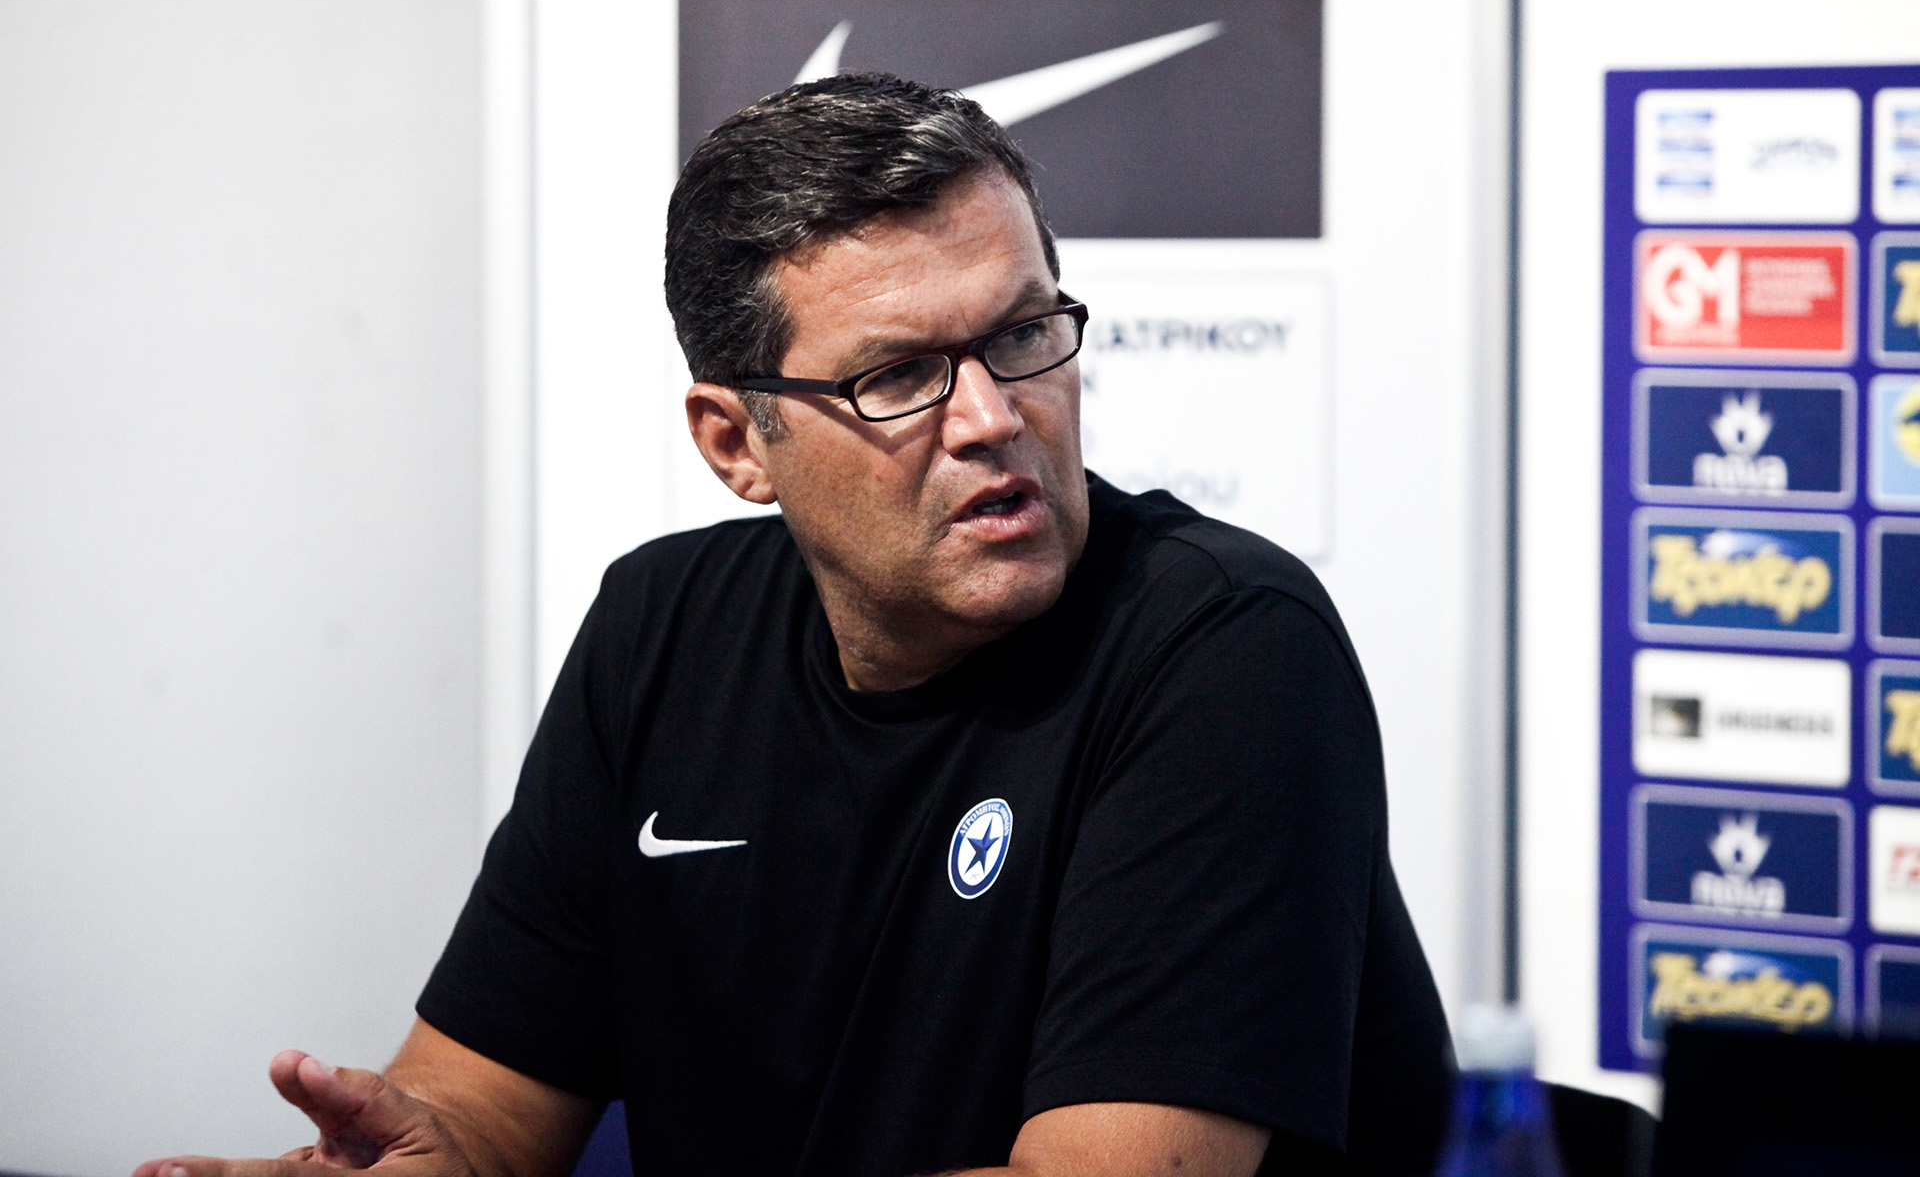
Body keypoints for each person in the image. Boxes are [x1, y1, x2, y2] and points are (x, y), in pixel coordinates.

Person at [134, 73, 1452, 1177]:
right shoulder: (659, 630)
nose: (993, 417)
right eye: (899, 375)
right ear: (735, 443)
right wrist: (425, 1161)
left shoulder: (1226, 646)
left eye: (1022, 335)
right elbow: (483, 1103)